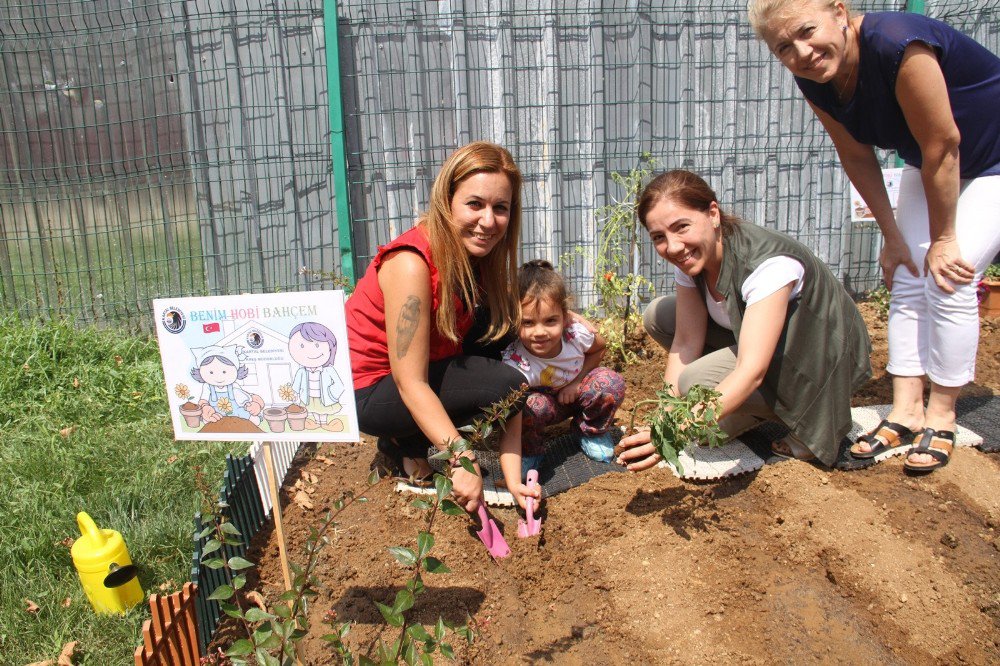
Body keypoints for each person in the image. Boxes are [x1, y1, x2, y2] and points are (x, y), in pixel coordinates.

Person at [748, 1, 1000, 472]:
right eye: (784, 47)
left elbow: (943, 144)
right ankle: (906, 410)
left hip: (989, 159)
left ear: (839, 13)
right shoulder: (815, 75)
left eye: (807, 31)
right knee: (906, 271)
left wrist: (945, 237)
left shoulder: (896, 44)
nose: (801, 51)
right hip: (929, 159)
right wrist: (892, 237)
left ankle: (942, 414)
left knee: (949, 275)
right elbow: (856, 155)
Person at [616, 169, 871, 470]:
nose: (672, 247)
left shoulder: (766, 264)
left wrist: (673, 431)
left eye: (681, 227)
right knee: (659, 315)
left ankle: (800, 421)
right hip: (765, 345)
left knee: (695, 381)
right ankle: (737, 407)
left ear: (712, 213)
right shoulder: (690, 259)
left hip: (821, 356)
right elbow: (686, 340)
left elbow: (752, 370)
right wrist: (666, 416)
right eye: (659, 237)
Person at [345, 141, 531, 512]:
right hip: (370, 391)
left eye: (501, 208)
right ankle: (405, 443)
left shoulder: (467, 255)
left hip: (417, 367)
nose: (489, 221)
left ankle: (418, 435)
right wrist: (462, 459)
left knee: (505, 324)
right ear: (447, 201)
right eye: (474, 204)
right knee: (508, 388)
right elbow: (409, 380)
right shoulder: (410, 264)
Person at [499, 260, 626, 498]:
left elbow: (600, 349)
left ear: (565, 317)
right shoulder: (516, 362)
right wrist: (513, 469)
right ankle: (532, 451)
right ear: (513, 320)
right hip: (546, 405)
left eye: (550, 321)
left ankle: (589, 430)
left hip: (578, 393)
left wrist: (576, 383)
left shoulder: (575, 335)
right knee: (527, 406)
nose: (539, 332)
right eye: (527, 322)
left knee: (610, 382)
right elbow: (512, 418)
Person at [287, 322, 345, 432]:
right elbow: (296, 385)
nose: (310, 351)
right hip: (308, 397)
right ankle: (317, 423)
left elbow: (339, 385)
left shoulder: (329, 370)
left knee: (322, 410)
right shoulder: (301, 371)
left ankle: (323, 423)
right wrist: (294, 394)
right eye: (302, 346)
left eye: (317, 345)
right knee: (313, 410)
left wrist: (331, 393)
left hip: (324, 397)